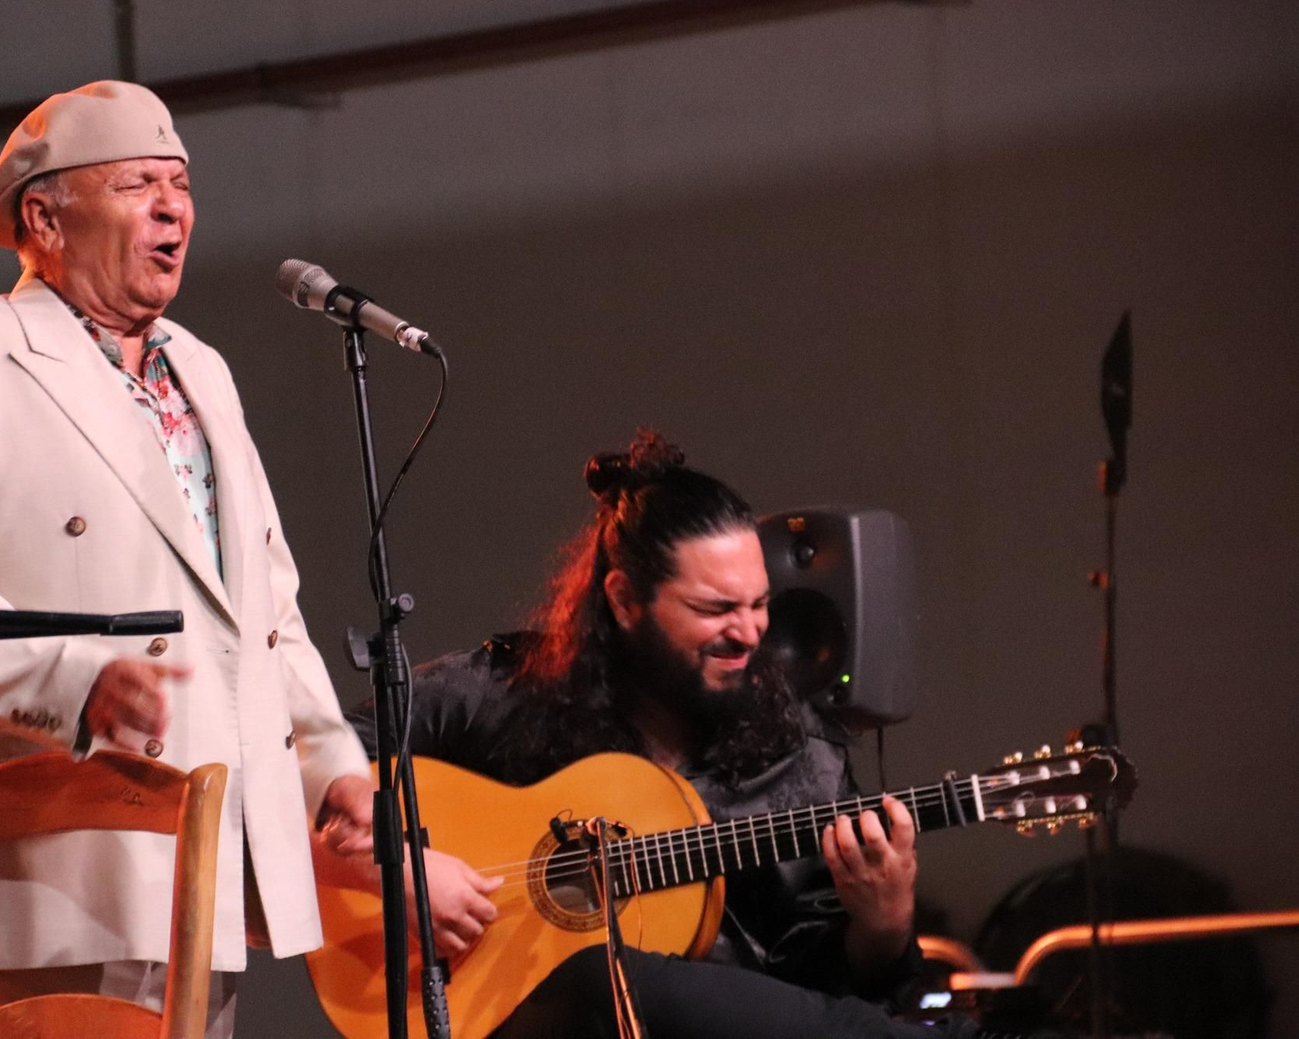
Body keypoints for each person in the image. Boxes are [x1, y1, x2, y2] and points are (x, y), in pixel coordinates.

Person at [0, 80, 373, 1037]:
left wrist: (330, 764)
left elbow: (264, 603)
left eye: (180, 185)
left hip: (200, 861)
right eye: (139, 183)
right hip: (49, 863)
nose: (174, 206)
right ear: (44, 218)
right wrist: (74, 681)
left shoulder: (202, 368)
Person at [343, 431, 990, 1038]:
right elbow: (317, 756)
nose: (748, 632)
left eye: (759, 604)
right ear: (625, 601)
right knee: (602, 973)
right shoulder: (510, 690)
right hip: (506, 1017)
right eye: (716, 609)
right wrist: (398, 871)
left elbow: (825, 990)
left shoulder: (797, 748)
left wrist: (883, 920)